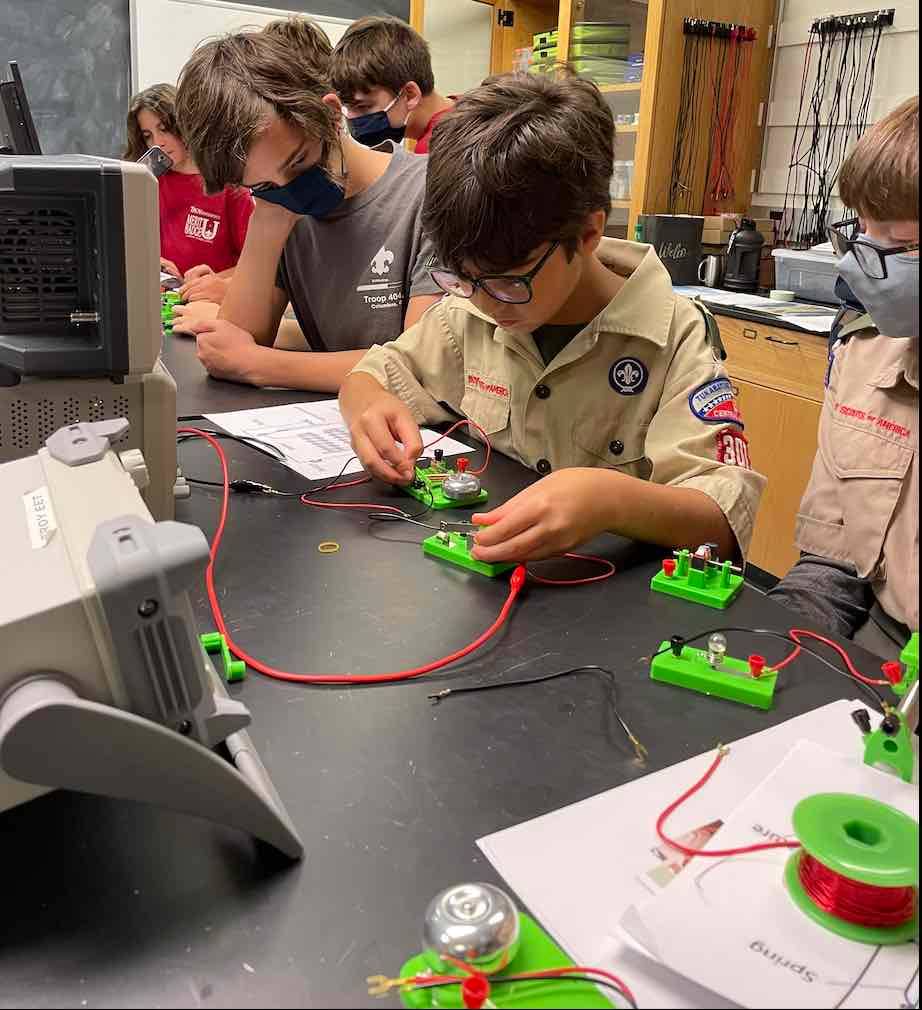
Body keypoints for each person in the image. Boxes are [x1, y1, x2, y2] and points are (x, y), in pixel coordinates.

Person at [340, 73, 765, 563]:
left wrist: (608, 501)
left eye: (508, 282)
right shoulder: (469, 310)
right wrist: (367, 406)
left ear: (588, 234)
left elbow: (723, 520)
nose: (484, 302)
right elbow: (373, 374)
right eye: (463, 279)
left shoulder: (676, 336)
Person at [173, 23, 442, 392]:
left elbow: (420, 367)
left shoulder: (428, 191)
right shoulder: (279, 209)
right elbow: (228, 345)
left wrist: (259, 364)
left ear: (331, 116)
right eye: (264, 184)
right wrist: (267, 218)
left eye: (298, 162)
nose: (290, 190)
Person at [769, 96, 919, 658]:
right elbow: (834, 563)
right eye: (861, 232)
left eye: (902, 245)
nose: (865, 265)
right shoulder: (863, 351)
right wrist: (778, 650)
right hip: (884, 639)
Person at [124, 84, 253, 304]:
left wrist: (207, 283)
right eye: (148, 135)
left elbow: (259, 266)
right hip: (159, 303)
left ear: (184, 124)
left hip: (210, 306)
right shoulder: (147, 182)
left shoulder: (228, 187)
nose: (157, 143)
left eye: (164, 129)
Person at [331, 16, 455, 154]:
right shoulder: (463, 107)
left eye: (363, 106)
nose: (352, 118)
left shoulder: (435, 152)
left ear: (410, 95)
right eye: (346, 107)